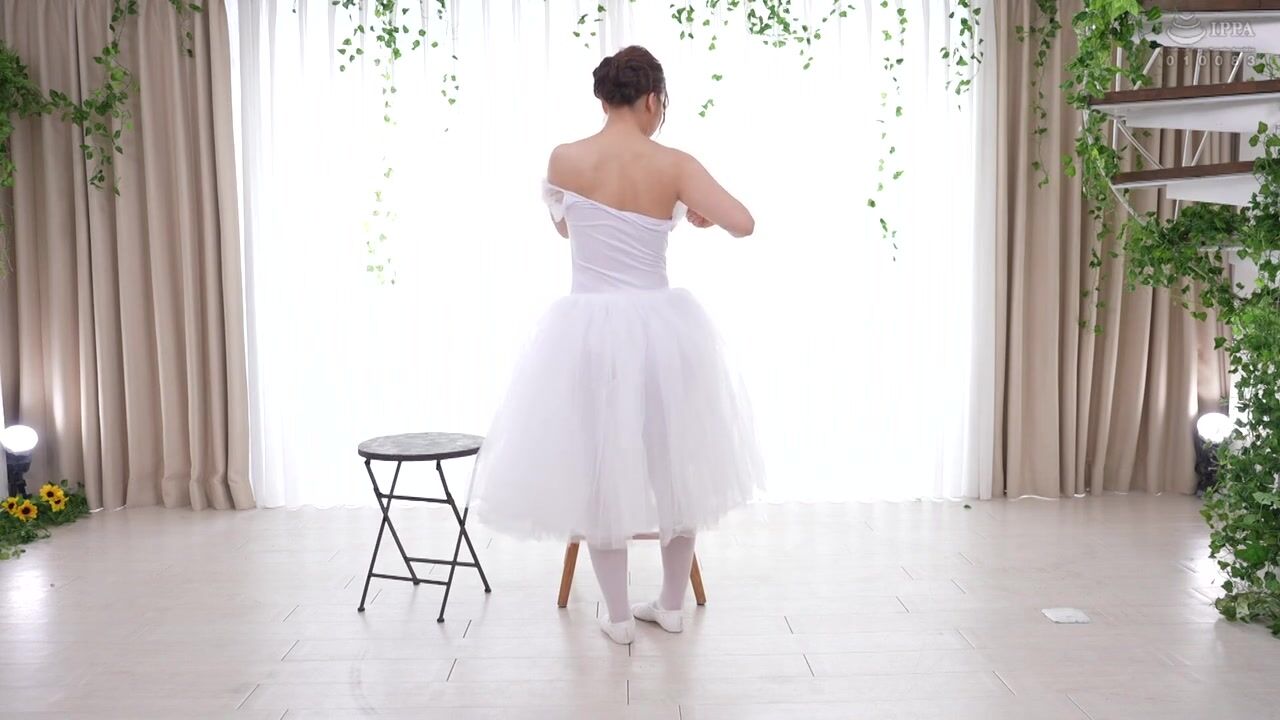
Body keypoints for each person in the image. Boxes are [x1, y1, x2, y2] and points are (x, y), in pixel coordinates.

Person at [468, 45, 764, 645]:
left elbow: (567, 229)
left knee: (601, 466)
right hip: (664, 330)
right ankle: (672, 605)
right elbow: (743, 222)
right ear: (653, 99)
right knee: (675, 466)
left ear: (604, 99)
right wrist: (696, 212)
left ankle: (620, 617)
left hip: (590, 331)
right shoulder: (675, 163)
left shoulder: (565, 158)